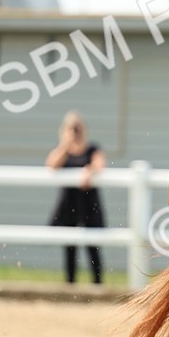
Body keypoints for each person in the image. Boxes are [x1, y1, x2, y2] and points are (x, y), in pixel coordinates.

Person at [46, 112, 107, 284]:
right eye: (71, 128)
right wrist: (66, 144)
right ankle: (70, 283)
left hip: (89, 204)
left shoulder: (92, 149)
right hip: (69, 204)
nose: (75, 132)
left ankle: (97, 284)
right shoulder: (62, 151)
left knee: (93, 246)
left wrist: (90, 171)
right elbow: (51, 164)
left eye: (78, 128)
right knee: (69, 247)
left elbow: (100, 164)